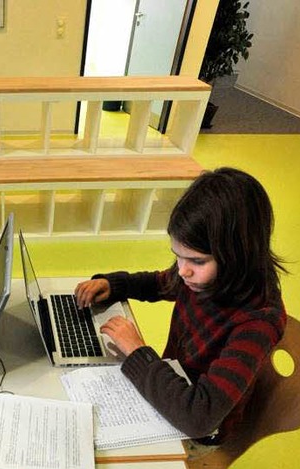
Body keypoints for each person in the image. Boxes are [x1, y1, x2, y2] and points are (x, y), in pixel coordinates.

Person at [74, 167, 287, 443]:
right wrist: (115, 285)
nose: (183, 271)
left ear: (239, 255)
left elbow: (199, 418)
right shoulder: (204, 277)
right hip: (170, 384)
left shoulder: (257, 322)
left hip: (200, 430)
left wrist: (139, 352)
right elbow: (164, 282)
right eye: (178, 257)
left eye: (197, 261)